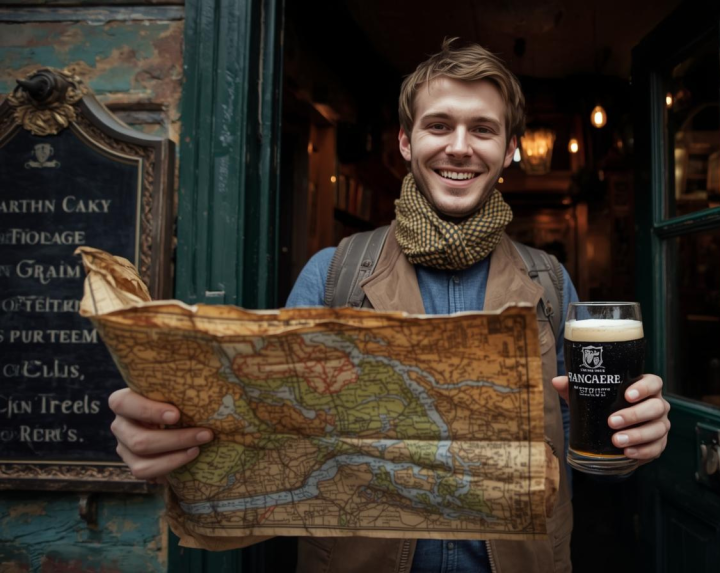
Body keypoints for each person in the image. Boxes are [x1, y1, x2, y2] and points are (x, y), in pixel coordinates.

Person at [107, 39, 670, 573]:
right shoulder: (333, 274)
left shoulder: (550, 281)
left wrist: (630, 441)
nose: (459, 146)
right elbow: (263, 436)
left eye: (483, 129)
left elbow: (586, 452)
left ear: (510, 149)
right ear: (405, 142)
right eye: (438, 125)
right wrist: (175, 443)